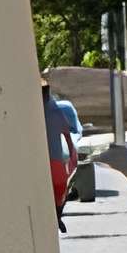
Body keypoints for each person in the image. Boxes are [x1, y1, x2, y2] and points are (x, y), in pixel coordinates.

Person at [42, 79, 80, 233]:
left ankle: (57, 215)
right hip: (47, 158)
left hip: (54, 157)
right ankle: (54, 216)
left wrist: (71, 150)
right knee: (56, 188)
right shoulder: (40, 107)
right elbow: (66, 131)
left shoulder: (53, 108)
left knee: (60, 186)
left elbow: (65, 131)